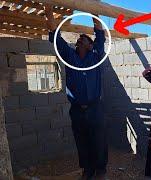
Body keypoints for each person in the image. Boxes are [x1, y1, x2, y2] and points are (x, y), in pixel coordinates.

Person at [45, 6, 108, 180]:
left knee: (99, 140)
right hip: (77, 110)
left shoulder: (96, 56)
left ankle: (100, 170)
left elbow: (99, 32)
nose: (80, 39)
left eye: (84, 39)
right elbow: (55, 33)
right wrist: (49, 12)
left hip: (96, 108)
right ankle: (87, 170)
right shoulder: (69, 56)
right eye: (79, 38)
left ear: (91, 45)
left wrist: (94, 10)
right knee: (82, 141)